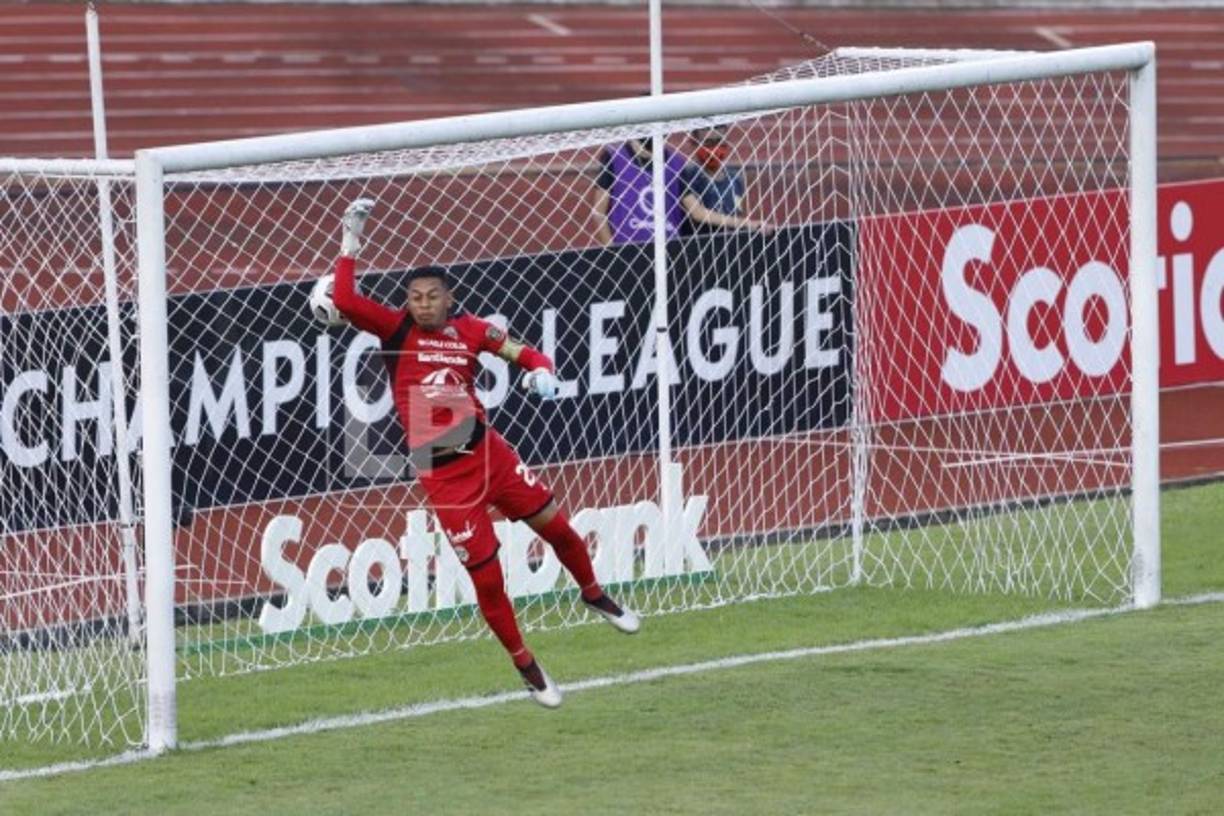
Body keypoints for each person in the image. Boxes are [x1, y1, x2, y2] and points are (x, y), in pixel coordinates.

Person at [329, 198, 641, 708]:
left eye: (432, 297)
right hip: (444, 477)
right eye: (414, 297)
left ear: (450, 301)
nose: (422, 304)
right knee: (490, 581)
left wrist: (541, 370)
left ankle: (592, 592)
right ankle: (527, 665)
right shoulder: (395, 331)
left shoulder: (472, 330)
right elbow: (344, 299)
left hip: (491, 454)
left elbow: (523, 352)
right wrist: (350, 240)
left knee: (557, 527)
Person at [590, 137, 688, 245]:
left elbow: (696, 210)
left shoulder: (676, 162)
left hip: (670, 246)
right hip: (628, 250)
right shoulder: (614, 157)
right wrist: (611, 250)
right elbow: (599, 212)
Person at [679, 124, 769, 235]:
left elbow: (738, 215)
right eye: (708, 143)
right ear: (694, 144)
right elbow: (698, 213)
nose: (715, 149)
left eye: (719, 141)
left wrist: (747, 225)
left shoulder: (735, 179)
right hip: (698, 246)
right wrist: (746, 223)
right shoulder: (687, 175)